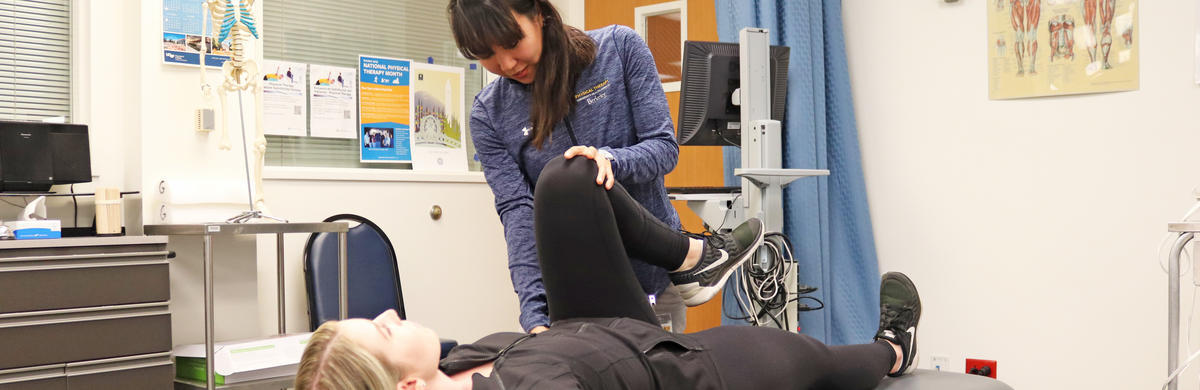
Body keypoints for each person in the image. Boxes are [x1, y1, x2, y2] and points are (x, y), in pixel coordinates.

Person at [294, 157, 922, 390]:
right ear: (405, 389)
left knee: (568, 181)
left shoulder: (447, 364)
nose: (388, 314)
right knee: (809, 358)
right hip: (677, 364)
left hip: (594, 327)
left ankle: (696, 262)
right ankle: (893, 349)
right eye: (379, 331)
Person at [448, 0, 693, 333]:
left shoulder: (618, 49)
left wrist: (610, 160)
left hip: (654, 276)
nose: (505, 63)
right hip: (575, 297)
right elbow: (518, 213)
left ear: (539, 15)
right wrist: (535, 315)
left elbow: (663, 149)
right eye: (485, 54)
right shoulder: (490, 114)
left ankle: (694, 255)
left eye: (511, 42)